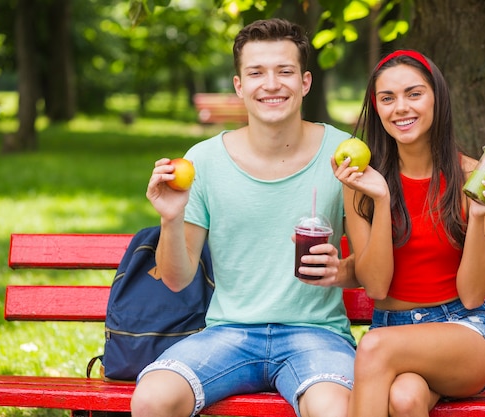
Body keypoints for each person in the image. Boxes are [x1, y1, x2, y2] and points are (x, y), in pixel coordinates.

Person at [131, 18, 359, 417]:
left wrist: (340, 270)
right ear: (239, 85)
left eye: (284, 71)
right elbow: (176, 278)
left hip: (317, 334)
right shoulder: (203, 159)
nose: (271, 84)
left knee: (334, 410)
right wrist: (170, 218)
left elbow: (375, 266)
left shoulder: (343, 153)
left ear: (305, 82)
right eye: (256, 73)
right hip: (229, 333)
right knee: (152, 400)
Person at [332, 50, 485, 417]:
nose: (400, 107)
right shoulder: (360, 182)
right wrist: (382, 200)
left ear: (437, 98)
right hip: (392, 332)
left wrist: (477, 218)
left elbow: (474, 293)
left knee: (373, 346)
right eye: (387, 98)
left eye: (413, 94)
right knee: (405, 399)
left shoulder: (476, 178)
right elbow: (377, 288)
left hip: (462, 331)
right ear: (376, 108)